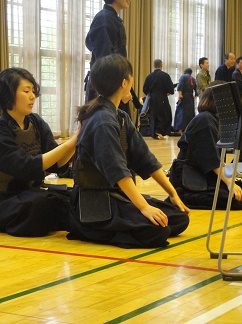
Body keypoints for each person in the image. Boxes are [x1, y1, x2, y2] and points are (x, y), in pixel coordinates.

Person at [68, 54, 190, 249]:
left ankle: (124, 221)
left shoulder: (120, 116)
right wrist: (143, 207)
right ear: (124, 82)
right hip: (95, 202)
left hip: (118, 197)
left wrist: (173, 193)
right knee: (157, 230)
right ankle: (88, 228)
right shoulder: (102, 121)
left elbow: (145, 159)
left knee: (178, 218)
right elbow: (118, 172)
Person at [0, 67, 79, 237]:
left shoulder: (36, 122)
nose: (32, 96)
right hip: (5, 200)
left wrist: (77, 140)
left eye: (33, 91)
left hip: (32, 192)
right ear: (8, 94)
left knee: (75, 195)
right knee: (42, 204)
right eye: (26, 91)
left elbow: (57, 163)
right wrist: (71, 142)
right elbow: (27, 167)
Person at [169, 81, 242, 210]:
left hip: (207, 174)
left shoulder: (215, 120)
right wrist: (229, 183)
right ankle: (183, 195)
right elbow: (210, 160)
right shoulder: (204, 120)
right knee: (237, 201)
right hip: (190, 176)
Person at [84, 0, 141, 120]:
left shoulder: (110, 18)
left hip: (113, 87)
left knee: (120, 132)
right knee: (108, 130)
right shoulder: (104, 19)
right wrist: (120, 91)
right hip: (108, 89)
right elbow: (105, 62)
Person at [143, 59, 175, 139]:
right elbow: (171, 89)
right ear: (161, 65)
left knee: (153, 115)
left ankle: (154, 133)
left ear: (154, 66)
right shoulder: (165, 75)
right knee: (165, 114)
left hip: (152, 99)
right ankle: (160, 131)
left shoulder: (149, 76)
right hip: (163, 98)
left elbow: (145, 89)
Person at [173, 68, 198, 134]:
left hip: (184, 96)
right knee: (190, 113)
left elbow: (180, 86)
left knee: (181, 113)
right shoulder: (193, 79)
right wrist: (194, 97)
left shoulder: (183, 77)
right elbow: (196, 89)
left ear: (185, 72)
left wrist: (180, 95)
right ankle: (189, 129)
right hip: (190, 97)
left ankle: (180, 130)